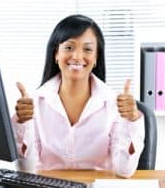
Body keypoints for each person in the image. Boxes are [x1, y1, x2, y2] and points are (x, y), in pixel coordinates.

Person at [12, 14, 145, 178]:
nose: (77, 56)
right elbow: (27, 170)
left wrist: (131, 121)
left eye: (88, 49)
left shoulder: (113, 103)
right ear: (56, 54)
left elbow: (125, 171)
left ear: (96, 58)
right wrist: (22, 123)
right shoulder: (36, 102)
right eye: (69, 47)